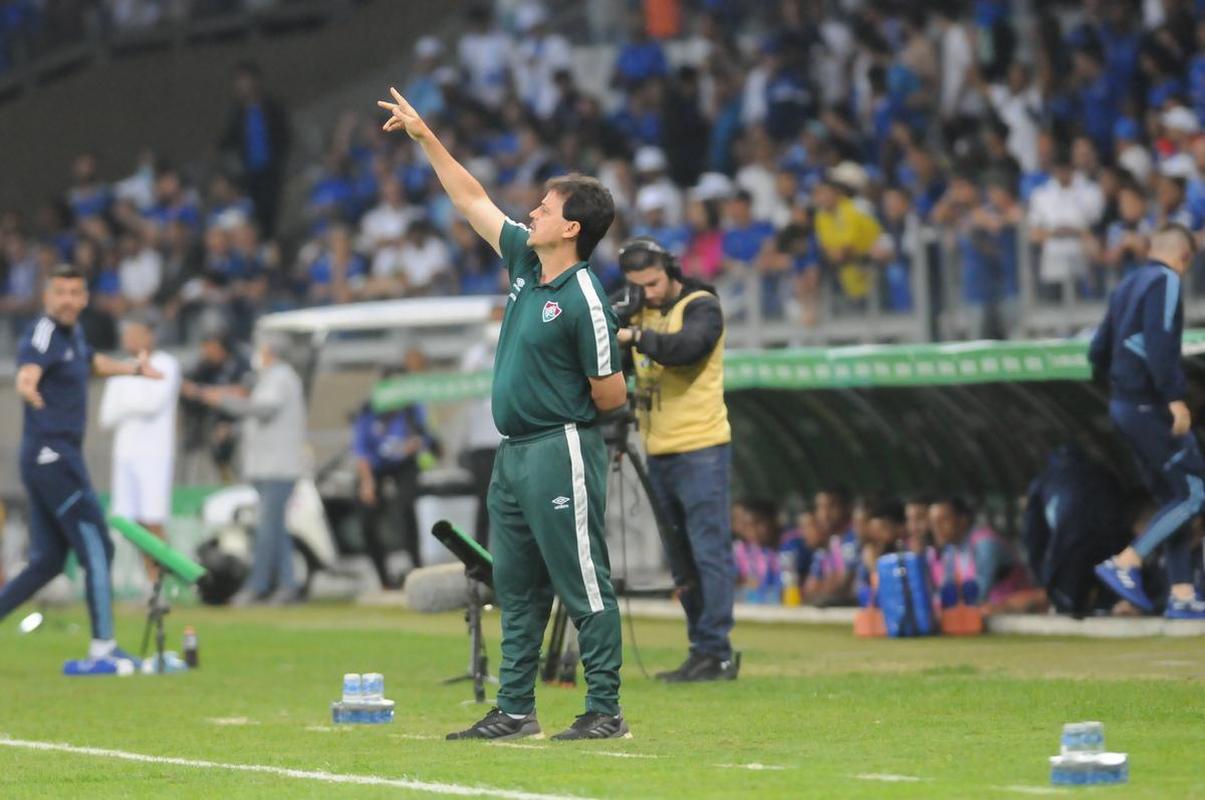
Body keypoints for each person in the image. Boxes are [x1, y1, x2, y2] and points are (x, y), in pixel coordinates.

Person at [378, 87, 629, 740]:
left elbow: (611, 394)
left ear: (571, 229)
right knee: (515, 586)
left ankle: (605, 709)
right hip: (512, 451)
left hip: (559, 448)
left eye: (545, 208)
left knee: (582, 580)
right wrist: (425, 136)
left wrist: (558, 414)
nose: (532, 212)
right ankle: (516, 710)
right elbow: (471, 199)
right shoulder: (524, 260)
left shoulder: (584, 297)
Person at [0, 265, 163, 673]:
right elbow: (28, 371)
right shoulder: (42, 333)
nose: (68, 300)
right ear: (46, 297)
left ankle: (102, 647)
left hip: (52, 457)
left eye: (75, 292)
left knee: (47, 563)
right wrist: (27, 387)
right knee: (97, 546)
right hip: (53, 457)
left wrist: (132, 368)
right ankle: (102, 648)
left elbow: (91, 363)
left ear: (86, 298)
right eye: (61, 292)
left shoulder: (73, 335)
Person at [613, 236, 738, 682]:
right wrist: (617, 325)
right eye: (637, 285)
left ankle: (717, 651)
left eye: (652, 283)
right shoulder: (636, 310)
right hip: (658, 449)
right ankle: (700, 648)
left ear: (670, 271)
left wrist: (633, 335)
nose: (647, 293)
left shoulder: (701, 305)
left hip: (701, 447)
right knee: (682, 561)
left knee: (709, 552)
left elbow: (687, 348)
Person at [1089, 224, 1205, 619]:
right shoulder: (1165, 281)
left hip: (1123, 406)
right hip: (1147, 406)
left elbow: (1098, 350)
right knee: (1193, 493)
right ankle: (1126, 562)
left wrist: (1120, 386)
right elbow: (1160, 342)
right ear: (1184, 257)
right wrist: (1174, 398)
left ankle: (1182, 594)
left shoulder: (1127, 285)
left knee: (1173, 499)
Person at [184, 331, 306, 604]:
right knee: (275, 530)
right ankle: (287, 584)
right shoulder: (270, 378)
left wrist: (217, 398)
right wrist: (236, 429)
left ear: (271, 352)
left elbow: (262, 410)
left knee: (267, 529)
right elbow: (261, 418)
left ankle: (257, 585)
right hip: (266, 467)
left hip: (277, 468)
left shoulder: (281, 377)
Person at [97, 313, 181, 581]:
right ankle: (151, 579)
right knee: (130, 522)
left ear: (149, 335)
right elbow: (106, 417)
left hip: (154, 454)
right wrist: (132, 398)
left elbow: (152, 404)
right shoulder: (121, 367)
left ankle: (167, 580)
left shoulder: (166, 363)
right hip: (125, 454)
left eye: (135, 333)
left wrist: (126, 402)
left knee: (153, 518)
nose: (129, 339)